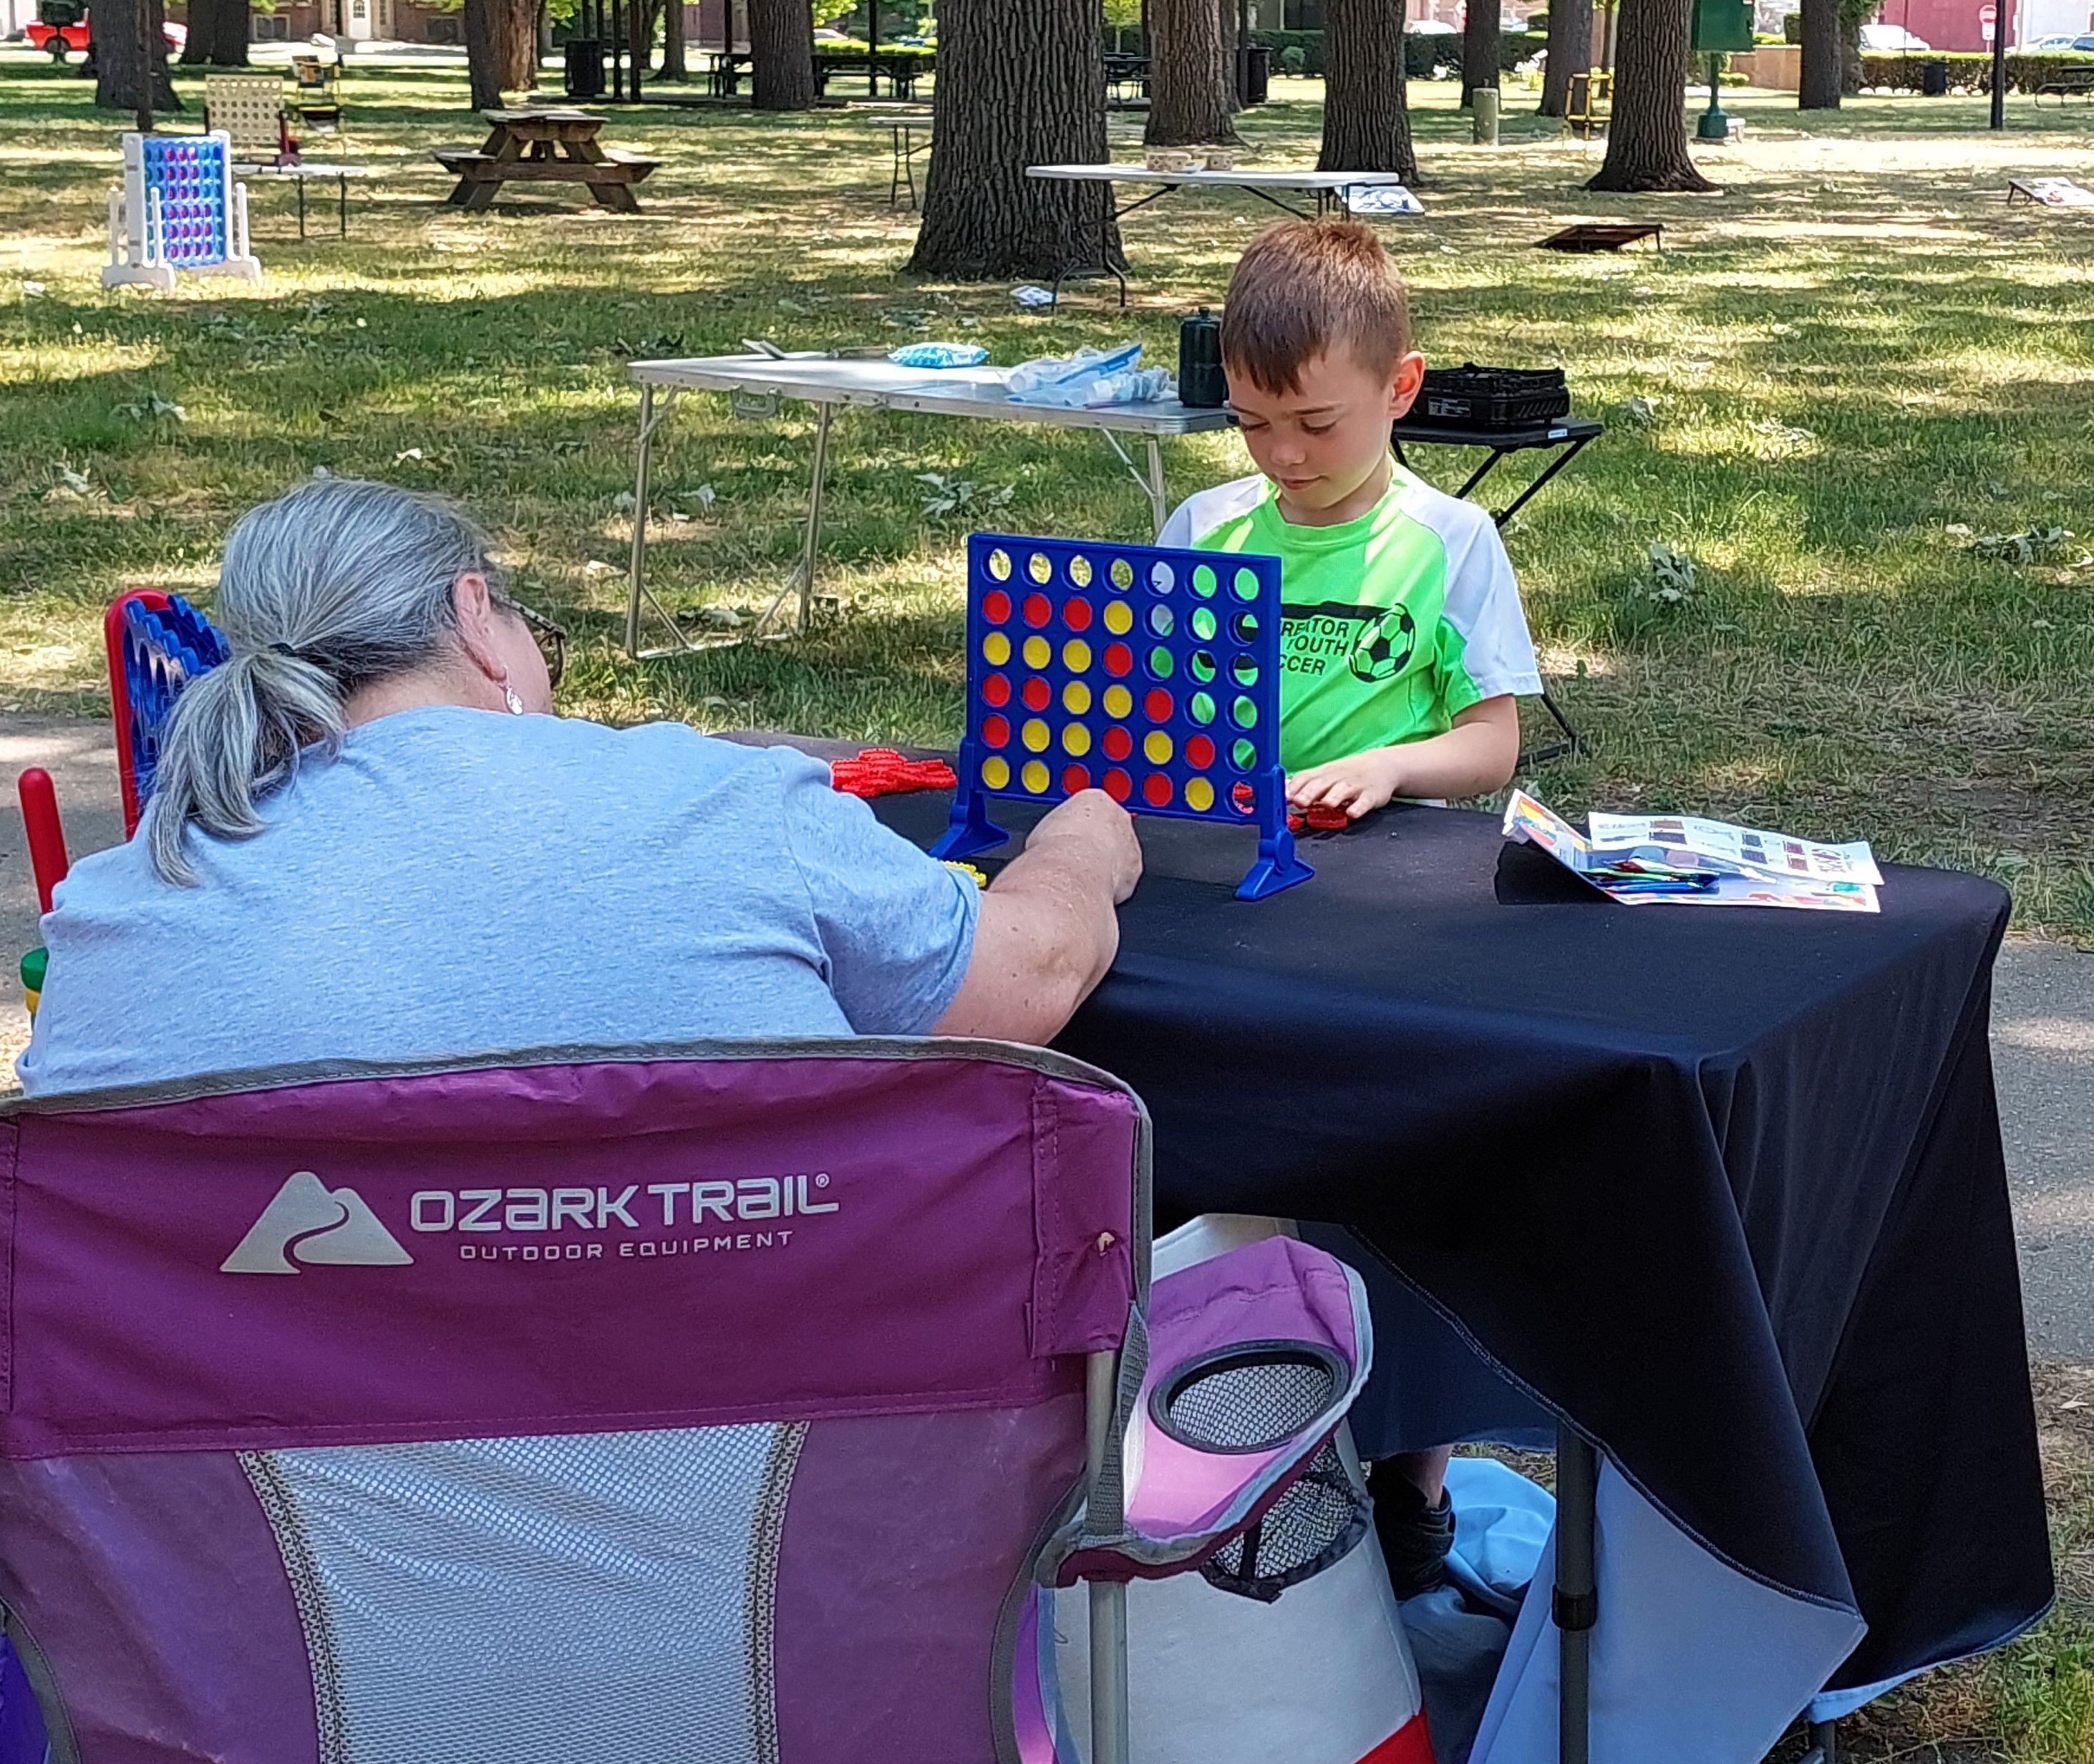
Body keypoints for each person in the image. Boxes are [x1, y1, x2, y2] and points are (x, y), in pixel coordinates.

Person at [17, 476, 1142, 1097]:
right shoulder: (725, 803)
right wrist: (1081, 842)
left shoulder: (116, 926)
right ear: (474, 618)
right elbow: (1028, 983)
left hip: (259, 1517)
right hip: (764, 1494)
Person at [1158, 218, 1543, 1600]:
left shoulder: (1447, 540)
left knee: (1400, 1189)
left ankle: (1412, 1493)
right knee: (1236, 1169)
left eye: (1312, 423)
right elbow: (1165, 721)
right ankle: (1230, 1432)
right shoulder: (1205, 525)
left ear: (1402, 388)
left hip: (1397, 916)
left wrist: (1388, 763)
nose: (1279, 456)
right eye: (1252, 423)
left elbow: (1489, 748)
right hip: (1232, 899)